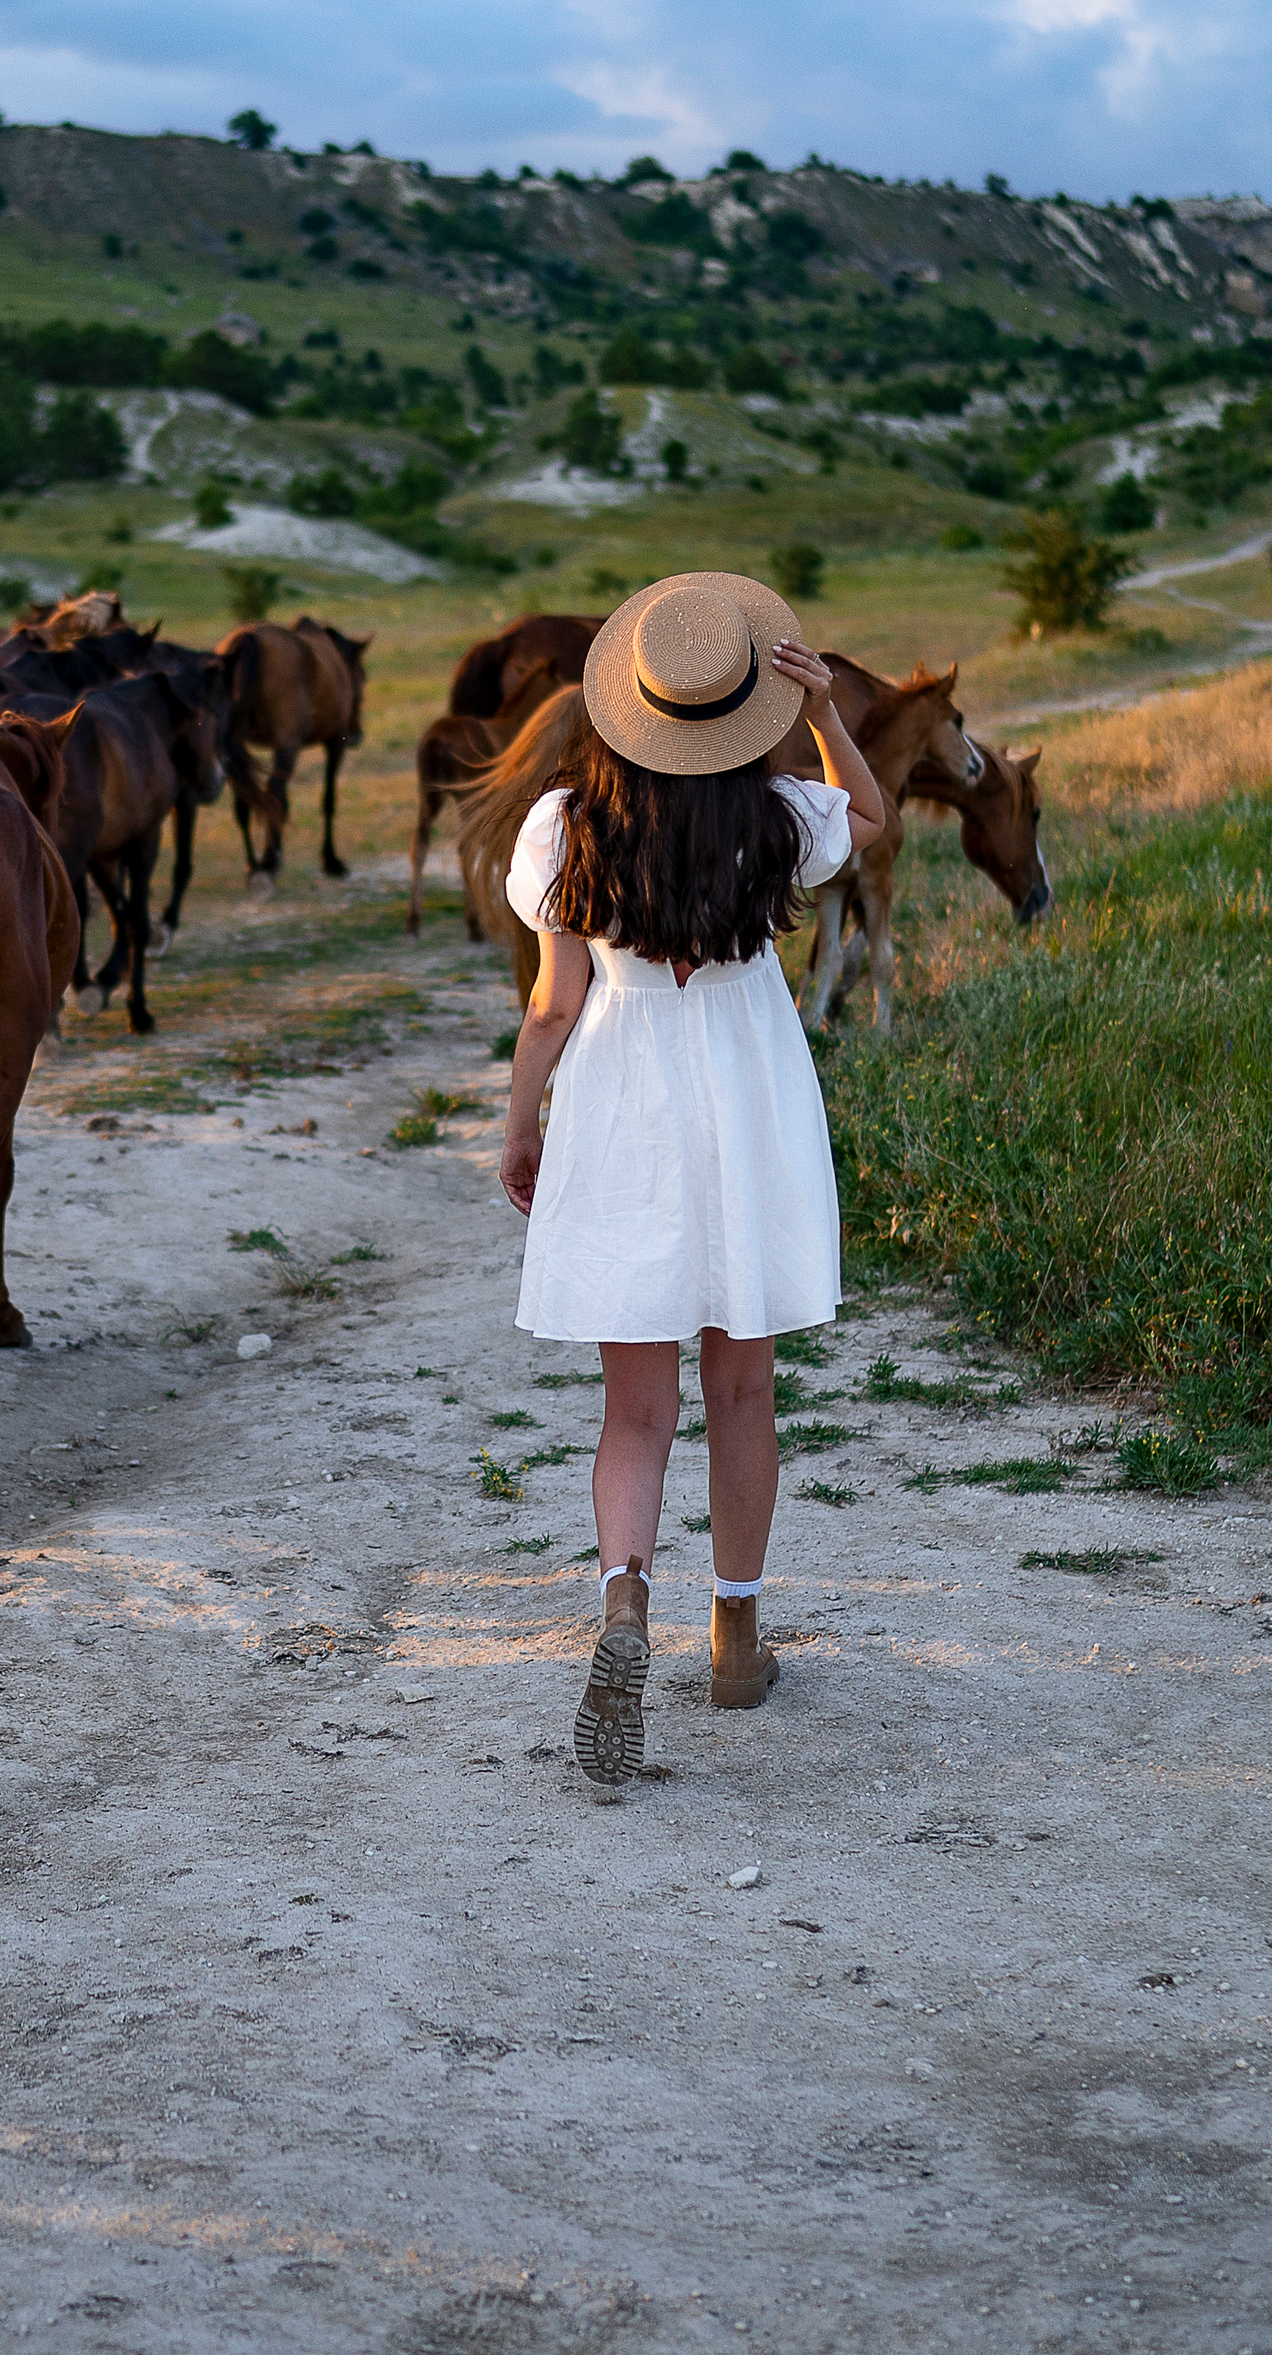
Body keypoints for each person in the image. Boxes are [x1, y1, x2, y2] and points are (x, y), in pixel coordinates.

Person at [497, 571, 885, 1787]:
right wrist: (826, 716)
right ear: (740, 706)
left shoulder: (565, 824)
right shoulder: (779, 815)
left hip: (621, 1096)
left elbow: (553, 1002)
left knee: (634, 1409)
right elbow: (865, 817)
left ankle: (623, 1607)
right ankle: (734, 1638)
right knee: (742, 1395)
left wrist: (519, 1125)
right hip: (748, 1095)